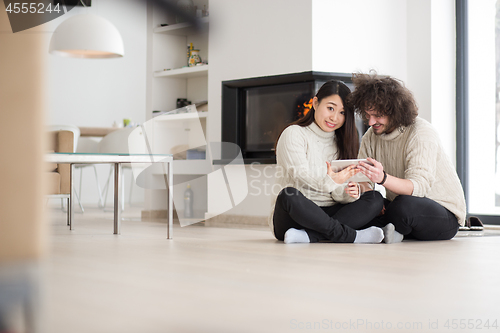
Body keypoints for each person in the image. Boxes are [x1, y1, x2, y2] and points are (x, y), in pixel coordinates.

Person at [350, 71, 466, 242]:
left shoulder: (421, 132)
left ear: (395, 111)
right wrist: (366, 194)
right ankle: (391, 230)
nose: (371, 122)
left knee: (402, 207)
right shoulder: (370, 136)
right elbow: (363, 180)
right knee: (368, 203)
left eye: (378, 116)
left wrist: (382, 179)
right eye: (368, 115)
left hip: (442, 213)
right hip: (400, 204)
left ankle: (387, 229)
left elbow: (418, 188)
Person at [269, 80, 386, 244]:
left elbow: (335, 193)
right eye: (330, 108)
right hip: (296, 215)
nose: (334, 117)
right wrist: (332, 180)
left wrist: (349, 192)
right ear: (315, 103)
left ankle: (310, 236)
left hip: (329, 214)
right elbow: (302, 177)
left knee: (374, 198)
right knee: (288, 195)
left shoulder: (342, 142)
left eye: (342, 113)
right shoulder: (293, 134)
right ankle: (352, 236)